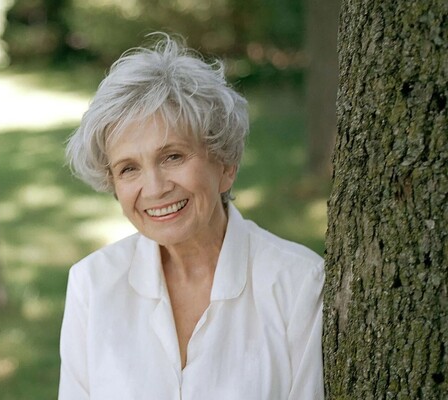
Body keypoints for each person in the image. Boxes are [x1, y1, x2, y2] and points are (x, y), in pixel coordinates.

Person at [59, 33, 324, 400]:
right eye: (128, 169)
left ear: (225, 164)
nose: (153, 189)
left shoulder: (298, 285)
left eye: (173, 157)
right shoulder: (92, 285)